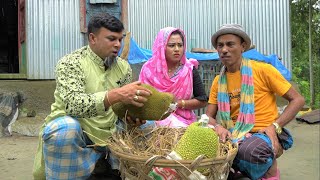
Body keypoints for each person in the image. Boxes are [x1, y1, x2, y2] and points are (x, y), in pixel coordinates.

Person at [32, 13, 152, 179]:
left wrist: (131, 116)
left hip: (110, 131)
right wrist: (114, 95)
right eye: (111, 39)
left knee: (149, 126)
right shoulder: (71, 63)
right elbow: (73, 105)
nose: (118, 44)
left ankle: (114, 168)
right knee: (64, 129)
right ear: (93, 38)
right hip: (79, 130)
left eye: (120, 39)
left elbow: (121, 107)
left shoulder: (124, 67)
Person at [206, 24, 305, 180]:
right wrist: (217, 127)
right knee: (201, 151)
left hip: (263, 133)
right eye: (220, 45)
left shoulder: (263, 70)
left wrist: (275, 126)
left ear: (243, 46)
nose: (224, 49)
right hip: (233, 134)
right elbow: (208, 118)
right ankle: (256, 171)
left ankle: (256, 170)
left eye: (230, 44)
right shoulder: (218, 81)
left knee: (251, 152)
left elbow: (298, 100)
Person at [139, 27, 208, 127]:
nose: (177, 49)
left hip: (182, 123)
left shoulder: (188, 69)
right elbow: (142, 98)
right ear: (162, 47)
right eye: (171, 45)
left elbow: (202, 100)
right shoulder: (148, 69)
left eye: (180, 45)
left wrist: (178, 104)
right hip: (153, 120)